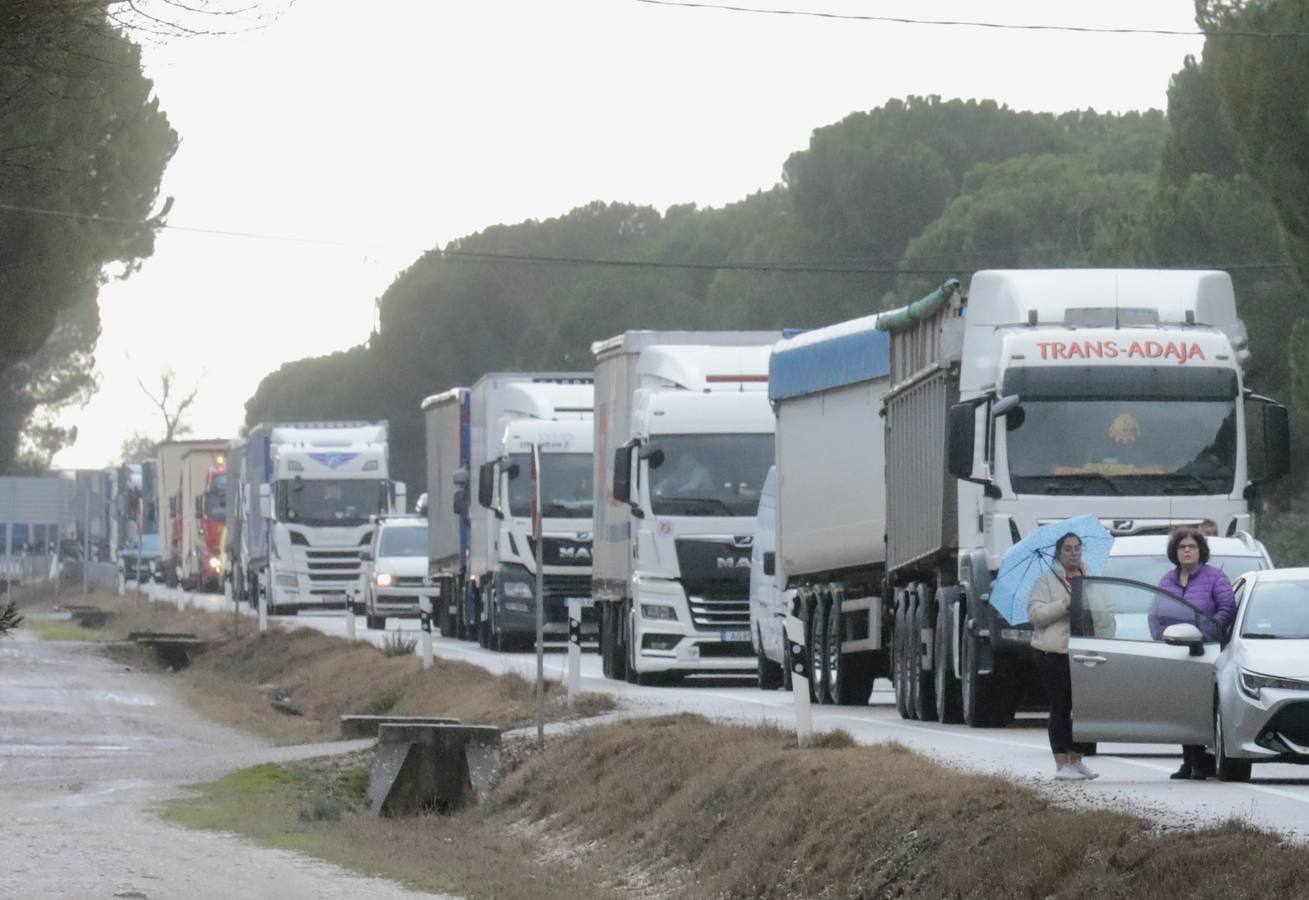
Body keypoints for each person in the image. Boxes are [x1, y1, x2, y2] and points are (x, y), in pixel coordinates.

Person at [1149, 527, 1236, 780]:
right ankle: (1188, 761)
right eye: (1182, 547)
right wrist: (1162, 636)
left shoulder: (1215, 577)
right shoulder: (1167, 580)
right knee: (1181, 705)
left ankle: (1202, 761)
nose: (1186, 551)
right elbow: (1154, 612)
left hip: (1204, 651)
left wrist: (1204, 633)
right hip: (1176, 652)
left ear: (1201, 551)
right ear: (1175, 552)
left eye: (1191, 546)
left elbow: (1227, 608)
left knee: (1202, 705)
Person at [1028, 533, 1099, 782]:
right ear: (1059, 553)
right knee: (1060, 706)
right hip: (1054, 653)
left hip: (1085, 650)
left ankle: (1077, 758)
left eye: (1077, 548)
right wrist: (1064, 604)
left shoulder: (1089, 577)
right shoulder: (1046, 581)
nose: (1073, 553)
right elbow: (1036, 615)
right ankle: (1061, 763)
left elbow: (1103, 607)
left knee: (1083, 707)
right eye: (1068, 549)